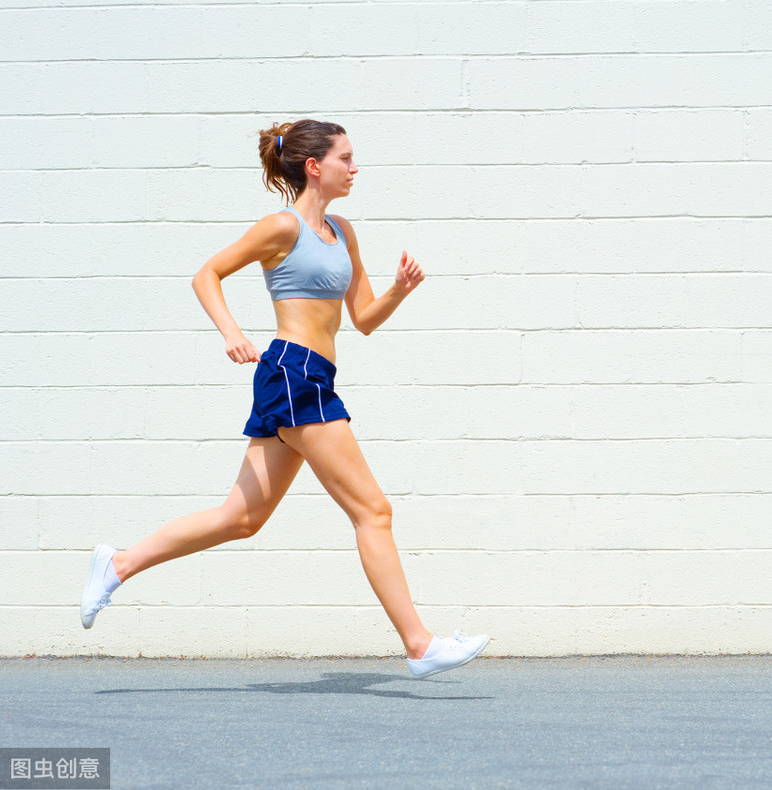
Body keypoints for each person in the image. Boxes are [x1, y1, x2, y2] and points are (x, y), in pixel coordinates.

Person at [79, 119, 489, 679]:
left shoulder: (343, 231)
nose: (355, 167)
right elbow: (207, 274)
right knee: (373, 510)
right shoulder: (282, 227)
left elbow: (362, 319)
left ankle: (119, 564)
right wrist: (231, 333)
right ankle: (419, 645)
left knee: (241, 518)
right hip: (294, 375)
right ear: (314, 166)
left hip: (311, 376)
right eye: (346, 158)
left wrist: (397, 289)